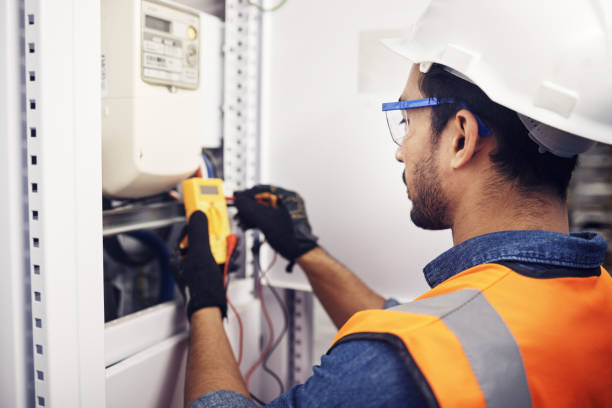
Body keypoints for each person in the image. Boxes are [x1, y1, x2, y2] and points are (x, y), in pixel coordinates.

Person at [171, 1, 612, 407]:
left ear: (461, 137)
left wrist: (204, 298)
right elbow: (435, 331)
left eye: (406, 119)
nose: (401, 150)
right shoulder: (596, 296)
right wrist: (305, 250)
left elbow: (414, 346)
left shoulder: (402, 362)